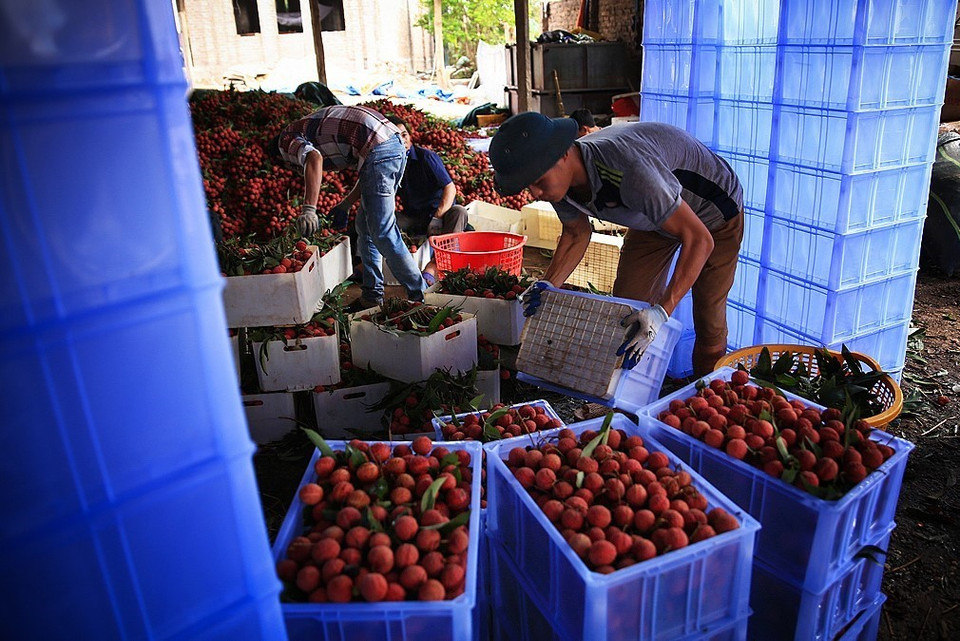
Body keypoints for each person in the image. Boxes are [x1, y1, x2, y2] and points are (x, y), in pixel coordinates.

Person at [490, 112, 743, 376]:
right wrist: (548, 285)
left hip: (713, 215)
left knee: (708, 318)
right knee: (627, 310)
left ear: (564, 153)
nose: (536, 194)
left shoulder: (629, 170)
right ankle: (629, 395)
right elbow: (576, 233)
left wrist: (661, 312)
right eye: (528, 186)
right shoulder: (557, 180)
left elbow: (700, 239)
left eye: (539, 182)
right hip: (652, 217)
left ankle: (706, 392)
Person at [276, 104, 426, 308]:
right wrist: (345, 204)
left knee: (383, 232)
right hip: (389, 143)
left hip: (381, 147)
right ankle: (372, 295)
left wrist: (309, 209)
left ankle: (421, 294)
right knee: (365, 228)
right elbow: (370, 168)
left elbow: (314, 158)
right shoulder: (305, 129)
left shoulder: (285, 141)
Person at [385, 114, 469, 238]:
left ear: (410, 136)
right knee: (382, 220)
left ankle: (447, 253)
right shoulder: (390, 164)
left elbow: (450, 188)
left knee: (459, 212)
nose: (403, 141)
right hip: (413, 218)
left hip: (439, 215)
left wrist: (437, 218)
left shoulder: (426, 158)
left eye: (404, 135)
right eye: (396, 137)